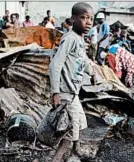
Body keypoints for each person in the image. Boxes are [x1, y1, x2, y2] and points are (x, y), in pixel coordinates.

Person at [49, 2, 96, 162]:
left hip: (73, 92)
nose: (88, 22)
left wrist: (92, 72)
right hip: (65, 92)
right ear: (73, 19)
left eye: (91, 19)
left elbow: (82, 59)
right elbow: (55, 64)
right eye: (84, 18)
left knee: (80, 121)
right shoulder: (69, 38)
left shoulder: (80, 39)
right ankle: (58, 159)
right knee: (70, 130)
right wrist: (55, 92)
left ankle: (76, 149)